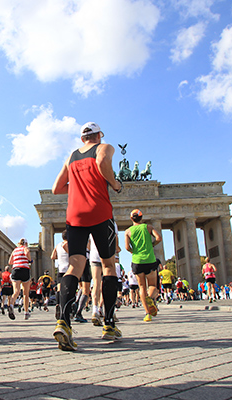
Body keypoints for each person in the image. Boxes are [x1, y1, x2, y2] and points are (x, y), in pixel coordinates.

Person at [51, 121, 122, 350]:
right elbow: (102, 162)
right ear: (99, 135)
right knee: (109, 266)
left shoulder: (70, 156)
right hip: (99, 212)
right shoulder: (104, 147)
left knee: (74, 267)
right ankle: (109, 323)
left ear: (82, 138)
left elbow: (56, 188)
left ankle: (64, 321)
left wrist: (78, 186)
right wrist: (114, 184)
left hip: (75, 215)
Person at [124, 209, 162, 322]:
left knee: (141, 288)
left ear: (131, 218)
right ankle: (150, 298)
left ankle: (147, 314)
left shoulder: (128, 231)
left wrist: (133, 252)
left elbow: (126, 247)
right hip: (150, 259)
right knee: (152, 286)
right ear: (142, 217)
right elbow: (159, 238)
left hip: (137, 261)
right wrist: (152, 245)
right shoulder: (148, 227)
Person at [9, 238, 33, 320]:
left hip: (15, 270)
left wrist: (16, 261)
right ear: (26, 243)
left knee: (16, 291)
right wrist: (30, 260)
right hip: (24, 269)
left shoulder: (15, 250)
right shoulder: (25, 248)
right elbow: (27, 252)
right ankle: (26, 312)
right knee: (26, 293)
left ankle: (11, 304)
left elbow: (10, 262)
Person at [51, 230, 69, 318]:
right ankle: (67, 308)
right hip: (68, 269)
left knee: (59, 289)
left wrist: (60, 256)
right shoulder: (70, 244)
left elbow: (52, 257)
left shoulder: (58, 245)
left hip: (60, 269)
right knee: (68, 290)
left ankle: (58, 304)